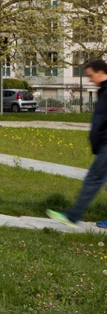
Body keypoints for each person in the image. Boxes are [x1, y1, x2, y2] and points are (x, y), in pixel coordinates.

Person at [46, 57, 107, 227]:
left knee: (93, 179)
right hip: (103, 143)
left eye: (90, 75)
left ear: (100, 72)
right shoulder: (103, 90)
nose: (89, 79)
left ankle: (72, 216)